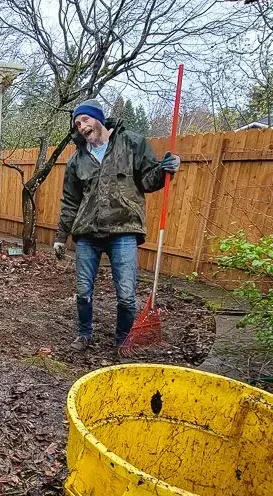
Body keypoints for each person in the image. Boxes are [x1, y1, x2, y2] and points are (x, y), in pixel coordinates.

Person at [52, 100, 181, 356]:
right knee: (83, 289)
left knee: (125, 293)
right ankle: (84, 333)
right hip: (87, 232)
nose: (82, 127)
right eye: (77, 124)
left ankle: (123, 340)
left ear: (98, 118)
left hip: (124, 230)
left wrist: (166, 170)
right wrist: (60, 236)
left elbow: (148, 180)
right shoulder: (77, 160)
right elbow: (70, 201)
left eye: (85, 120)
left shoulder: (131, 143)